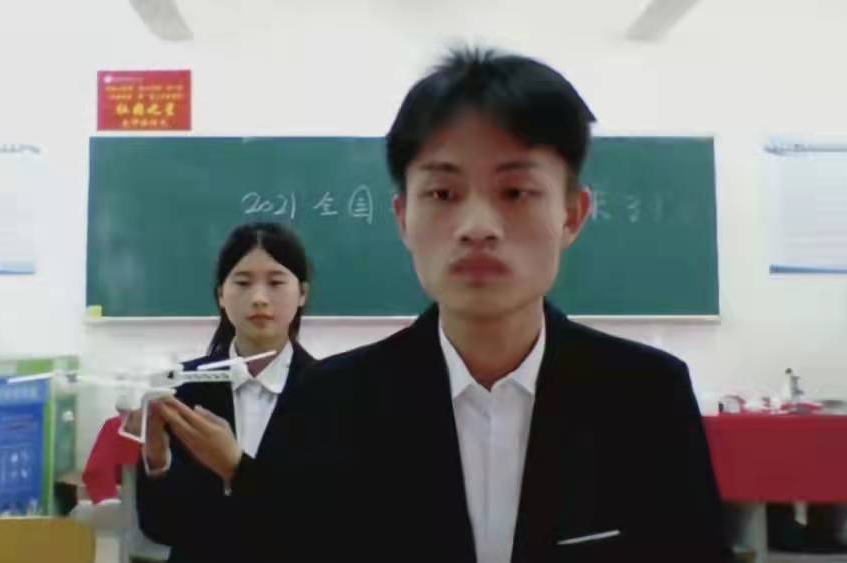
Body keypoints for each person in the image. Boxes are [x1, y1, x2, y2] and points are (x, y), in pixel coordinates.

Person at [157, 48, 729, 562]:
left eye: (516, 192)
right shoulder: (329, 403)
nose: (477, 226)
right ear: (404, 217)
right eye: (443, 193)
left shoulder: (647, 396)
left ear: (573, 215)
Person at [136, 221, 316, 563]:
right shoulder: (179, 388)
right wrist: (157, 461)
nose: (259, 298)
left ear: (302, 293)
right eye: (243, 283)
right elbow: (159, 527)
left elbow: (326, 526)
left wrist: (236, 469)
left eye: (276, 282)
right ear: (221, 294)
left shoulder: (333, 392)